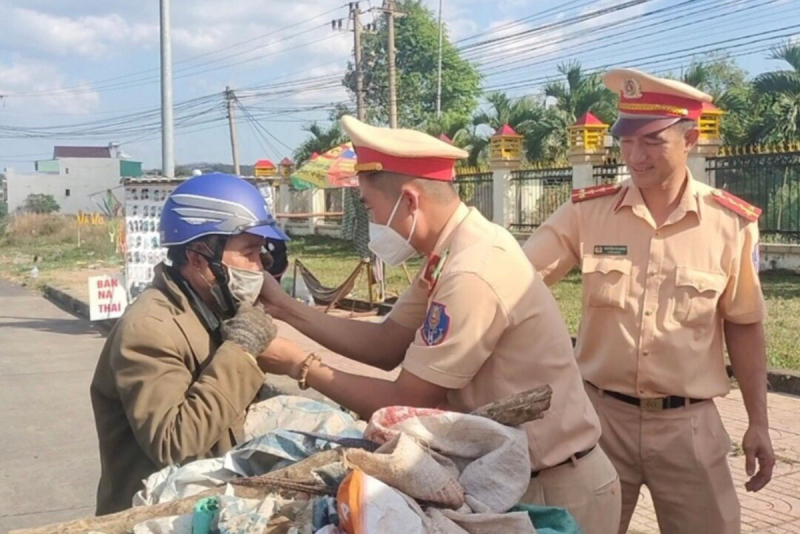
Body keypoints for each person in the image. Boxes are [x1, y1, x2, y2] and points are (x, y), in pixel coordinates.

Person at [258, 115, 621, 534]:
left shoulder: (471, 270)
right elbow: (385, 343)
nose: (374, 224)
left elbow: (407, 401)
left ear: (410, 201)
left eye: (372, 209)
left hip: (555, 487)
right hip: (515, 477)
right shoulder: (447, 255)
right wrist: (284, 307)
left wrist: (300, 366)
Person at [522, 68, 775, 534]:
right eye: (627, 141)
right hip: (598, 424)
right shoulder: (587, 212)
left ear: (690, 138)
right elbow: (517, 278)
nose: (636, 156)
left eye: (653, 141)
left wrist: (759, 422)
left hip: (688, 429)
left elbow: (744, 323)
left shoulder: (730, 224)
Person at [90, 173, 289, 515]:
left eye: (263, 254)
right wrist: (240, 351)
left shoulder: (210, 308)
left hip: (205, 505)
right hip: (157, 518)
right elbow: (175, 443)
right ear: (199, 258)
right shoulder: (149, 330)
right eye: (250, 253)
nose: (260, 268)